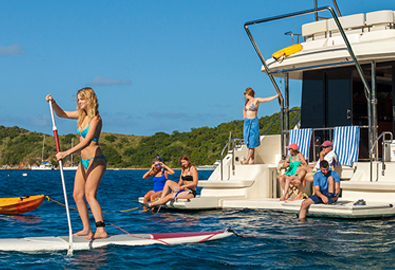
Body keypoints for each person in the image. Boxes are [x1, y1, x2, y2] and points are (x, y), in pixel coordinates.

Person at [45, 88, 107, 239]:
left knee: (89, 195)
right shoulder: (81, 115)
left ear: (90, 100)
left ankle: (101, 230)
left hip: (96, 161)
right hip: (83, 162)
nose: (79, 102)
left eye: (82, 99)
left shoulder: (96, 119)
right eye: (78, 99)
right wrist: (53, 103)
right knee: (77, 195)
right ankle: (87, 228)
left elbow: (87, 142)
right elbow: (61, 114)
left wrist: (66, 153)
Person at [241, 87, 279, 165]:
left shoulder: (256, 100)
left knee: (252, 142)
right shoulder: (247, 102)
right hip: (247, 122)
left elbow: (267, 99)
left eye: (245, 94)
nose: (245, 96)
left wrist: (276, 96)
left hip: (253, 121)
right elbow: (244, 110)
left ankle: (247, 160)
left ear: (248, 94)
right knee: (248, 142)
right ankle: (253, 160)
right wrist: (244, 116)